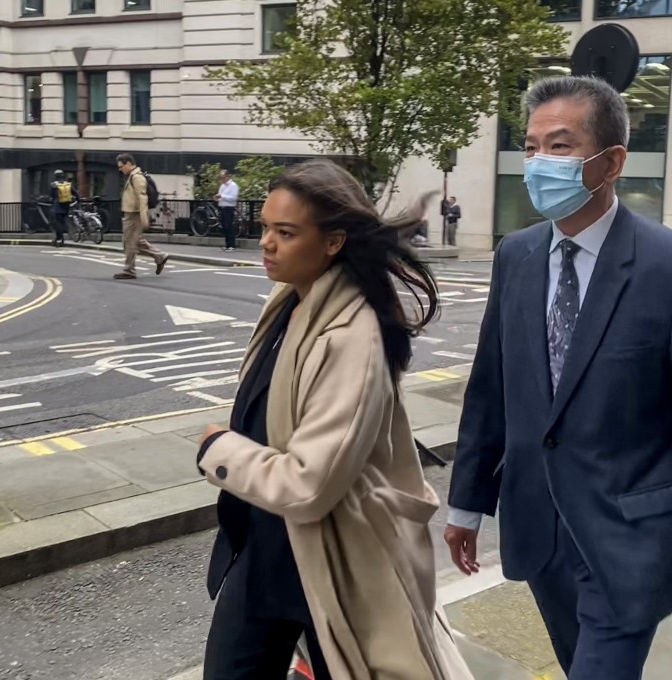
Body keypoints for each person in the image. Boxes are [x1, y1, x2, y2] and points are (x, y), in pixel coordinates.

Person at [444, 75, 672, 680]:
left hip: (634, 537)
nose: (540, 162)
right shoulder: (515, 255)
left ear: (612, 161)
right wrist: (467, 504)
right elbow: (490, 389)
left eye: (561, 146)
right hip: (539, 529)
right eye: (533, 146)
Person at [196, 159, 473, 680]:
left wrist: (218, 449)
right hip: (268, 547)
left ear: (333, 242)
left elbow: (311, 484)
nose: (267, 244)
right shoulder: (290, 303)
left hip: (332, 558)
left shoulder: (352, 336)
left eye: (286, 232)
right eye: (265, 229)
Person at [115, 153, 169, 280]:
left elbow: (142, 197)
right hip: (131, 213)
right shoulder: (132, 176)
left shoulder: (137, 177)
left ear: (128, 164)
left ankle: (129, 270)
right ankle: (160, 256)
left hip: (135, 214)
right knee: (135, 241)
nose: (120, 169)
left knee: (129, 242)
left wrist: (144, 217)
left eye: (121, 166)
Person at [49, 169, 79, 247]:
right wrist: (78, 200)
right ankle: (58, 238)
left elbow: (51, 196)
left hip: (57, 207)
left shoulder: (53, 185)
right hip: (66, 206)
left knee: (57, 223)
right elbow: (76, 193)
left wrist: (51, 201)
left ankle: (60, 238)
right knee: (63, 222)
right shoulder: (68, 184)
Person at [215, 169, 239, 252]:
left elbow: (233, 198)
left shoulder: (233, 185)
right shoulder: (222, 186)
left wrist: (222, 196)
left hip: (229, 208)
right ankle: (227, 244)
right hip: (222, 207)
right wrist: (218, 198)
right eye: (221, 177)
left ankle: (232, 245)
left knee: (229, 226)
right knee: (224, 227)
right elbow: (220, 196)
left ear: (228, 176)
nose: (222, 179)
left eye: (223, 177)